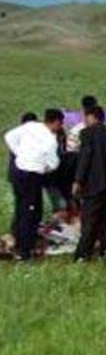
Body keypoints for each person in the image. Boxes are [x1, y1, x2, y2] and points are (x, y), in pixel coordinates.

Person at [4, 109, 64, 260]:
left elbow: (9, 136)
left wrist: (20, 154)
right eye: (60, 124)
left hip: (18, 172)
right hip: (32, 176)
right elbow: (53, 163)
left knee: (22, 208)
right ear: (56, 122)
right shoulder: (50, 139)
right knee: (30, 212)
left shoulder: (30, 126)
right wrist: (41, 164)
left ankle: (18, 240)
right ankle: (25, 250)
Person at [72, 106, 106, 262]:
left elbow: (85, 157)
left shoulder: (87, 134)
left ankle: (83, 253)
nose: (85, 121)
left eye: (86, 117)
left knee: (89, 220)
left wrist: (78, 180)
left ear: (92, 117)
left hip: (93, 185)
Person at [7, 112, 38, 236]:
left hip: (15, 176)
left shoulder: (16, 135)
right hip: (27, 177)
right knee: (29, 208)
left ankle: (16, 232)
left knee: (19, 205)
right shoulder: (31, 138)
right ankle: (25, 239)